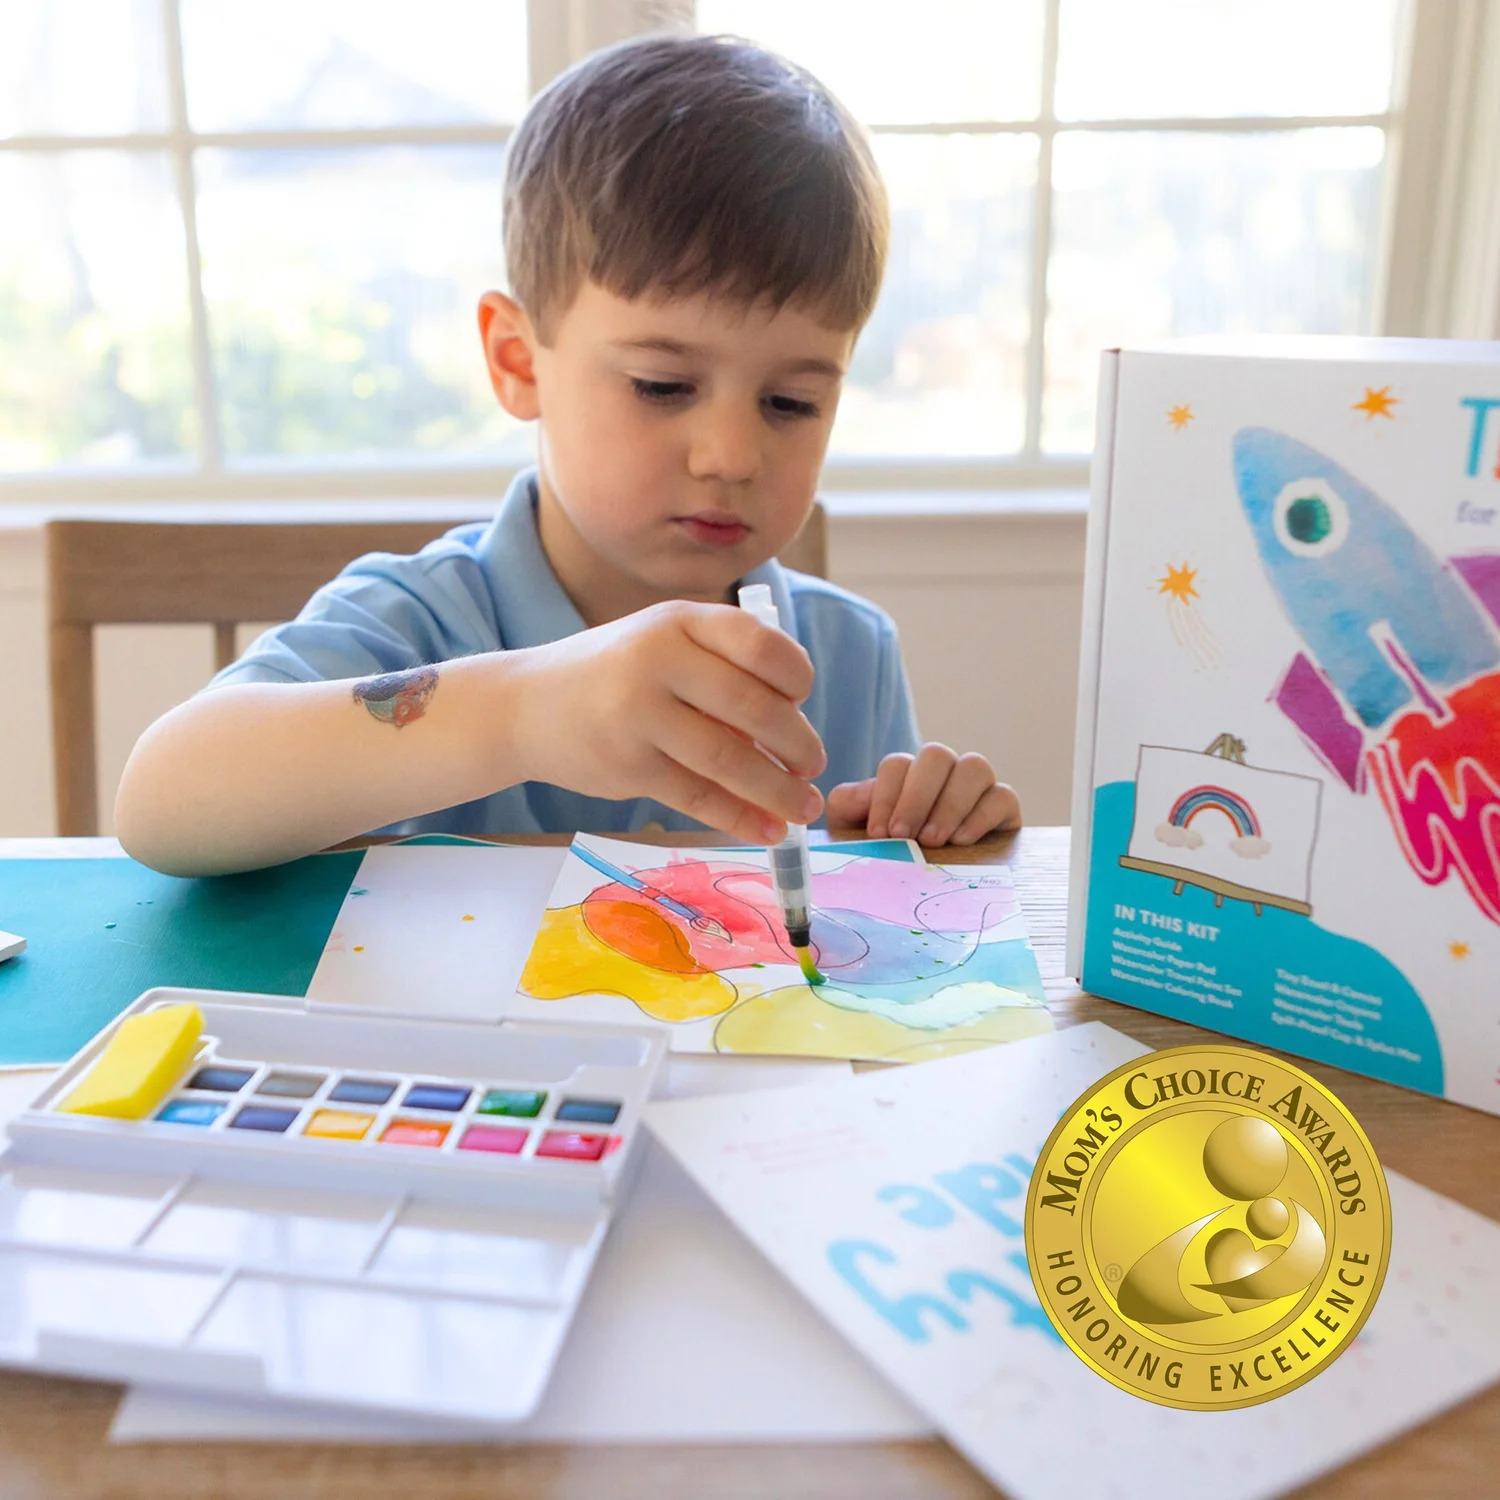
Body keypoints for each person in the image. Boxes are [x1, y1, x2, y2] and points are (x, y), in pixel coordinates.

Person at [115, 33, 1021, 877]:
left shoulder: (849, 654)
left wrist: (909, 839)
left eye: (793, 402)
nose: (732, 455)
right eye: (662, 385)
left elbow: (866, 940)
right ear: (519, 362)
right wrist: (526, 712)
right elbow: (162, 802)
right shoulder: (418, 622)